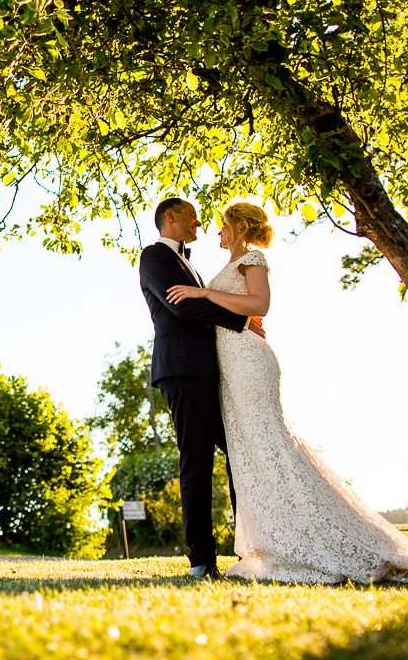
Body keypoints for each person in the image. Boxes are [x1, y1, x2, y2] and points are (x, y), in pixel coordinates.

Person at [167, 202, 408, 583]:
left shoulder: (255, 258)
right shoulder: (228, 265)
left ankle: (312, 540)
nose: (218, 233)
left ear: (239, 226)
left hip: (250, 362)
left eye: (223, 226)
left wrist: (205, 296)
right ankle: (275, 540)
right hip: (229, 369)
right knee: (251, 453)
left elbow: (261, 305)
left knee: (269, 444)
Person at [139, 197, 263, 579]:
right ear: (171, 217)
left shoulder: (189, 262)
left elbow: (197, 301)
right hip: (182, 369)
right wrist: (240, 322)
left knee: (241, 456)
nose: (199, 222)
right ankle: (201, 560)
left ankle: (254, 548)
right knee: (197, 462)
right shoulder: (153, 256)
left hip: (211, 372)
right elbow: (182, 308)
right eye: (193, 216)